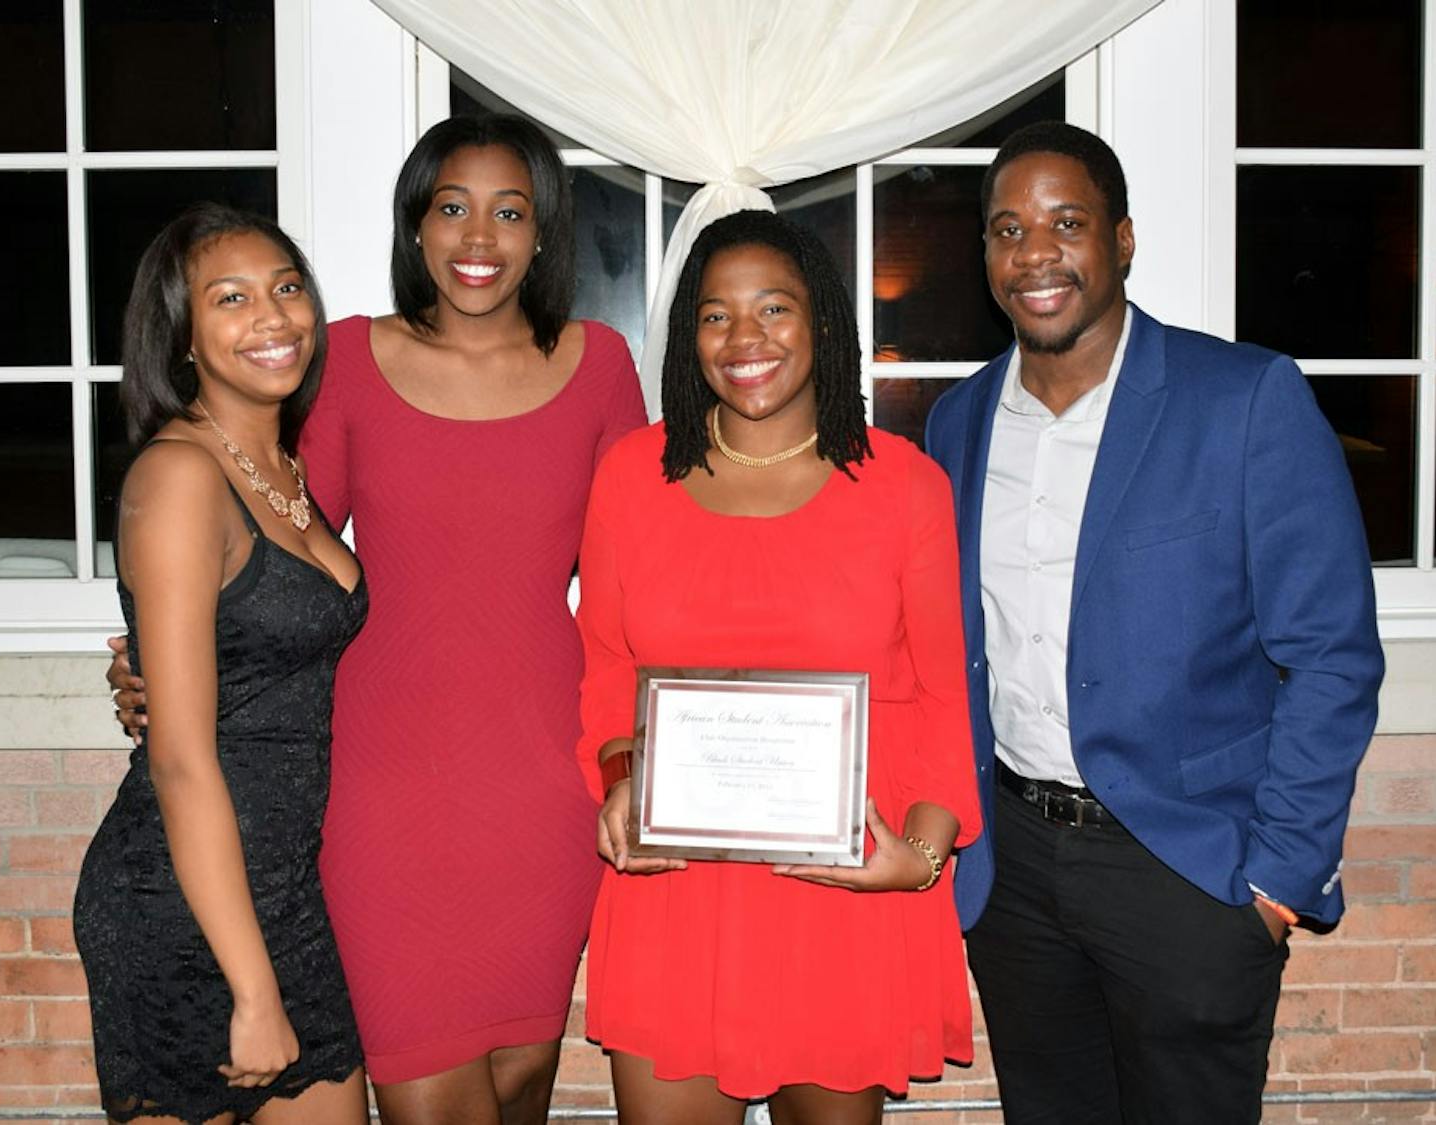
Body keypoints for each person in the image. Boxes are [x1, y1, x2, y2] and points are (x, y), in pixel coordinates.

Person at [109, 116, 646, 1125]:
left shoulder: (602, 365)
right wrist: (161, 661)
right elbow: (278, 556)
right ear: (415, 226)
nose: (478, 236)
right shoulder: (348, 358)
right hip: (378, 794)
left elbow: (638, 584)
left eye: (509, 211)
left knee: (521, 1080)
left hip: (545, 789)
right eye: (451, 207)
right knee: (426, 1085)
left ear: (543, 232)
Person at [923, 121, 1384, 1124]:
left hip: (1189, 873)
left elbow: (1332, 656)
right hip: (1017, 872)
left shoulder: (1244, 399)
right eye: (1008, 229)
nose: (1035, 254)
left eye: (1067, 223)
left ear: (1122, 239)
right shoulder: (956, 424)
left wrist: (1275, 883)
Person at [578, 209, 980, 1125]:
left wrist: (919, 858)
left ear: (822, 321)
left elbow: (945, 694)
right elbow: (605, 665)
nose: (744, 338)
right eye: (715, 315)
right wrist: (621, 783)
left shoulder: (904, 485)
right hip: (675, 889)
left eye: (773, 308)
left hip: (843, 893)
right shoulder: (633, 475)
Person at [74, 203, 368, 1124]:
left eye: (287, 288)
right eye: (231, 298)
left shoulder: (281, 468)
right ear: (183, 336)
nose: (272, 316)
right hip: (179, 901)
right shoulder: (180, 475)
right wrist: (253, 988)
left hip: (284, 888)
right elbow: (179, 757)